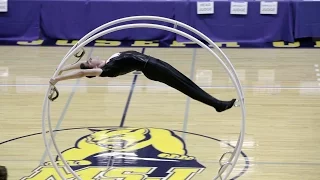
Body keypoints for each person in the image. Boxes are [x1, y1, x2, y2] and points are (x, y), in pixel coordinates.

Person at [50, 50, 237, 112]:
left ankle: (217, 104)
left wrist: (62, 67)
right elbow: (82, 73)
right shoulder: (105, 70)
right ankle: (218, 104)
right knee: (185, 86)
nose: (90, 58)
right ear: (93, 68)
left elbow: (81, 65)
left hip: (155, 64)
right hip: (152, 68)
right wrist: (58, 78)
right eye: (90, 62)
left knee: (187, 83)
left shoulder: (109, 60)